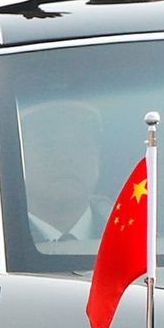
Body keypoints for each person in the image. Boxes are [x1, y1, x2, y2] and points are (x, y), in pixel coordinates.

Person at [20, 101, 110, 244]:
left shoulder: (141, 244)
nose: (66, 158)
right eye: (48, 145)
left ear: (98, 156)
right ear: (19, 158)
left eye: (80, 144)